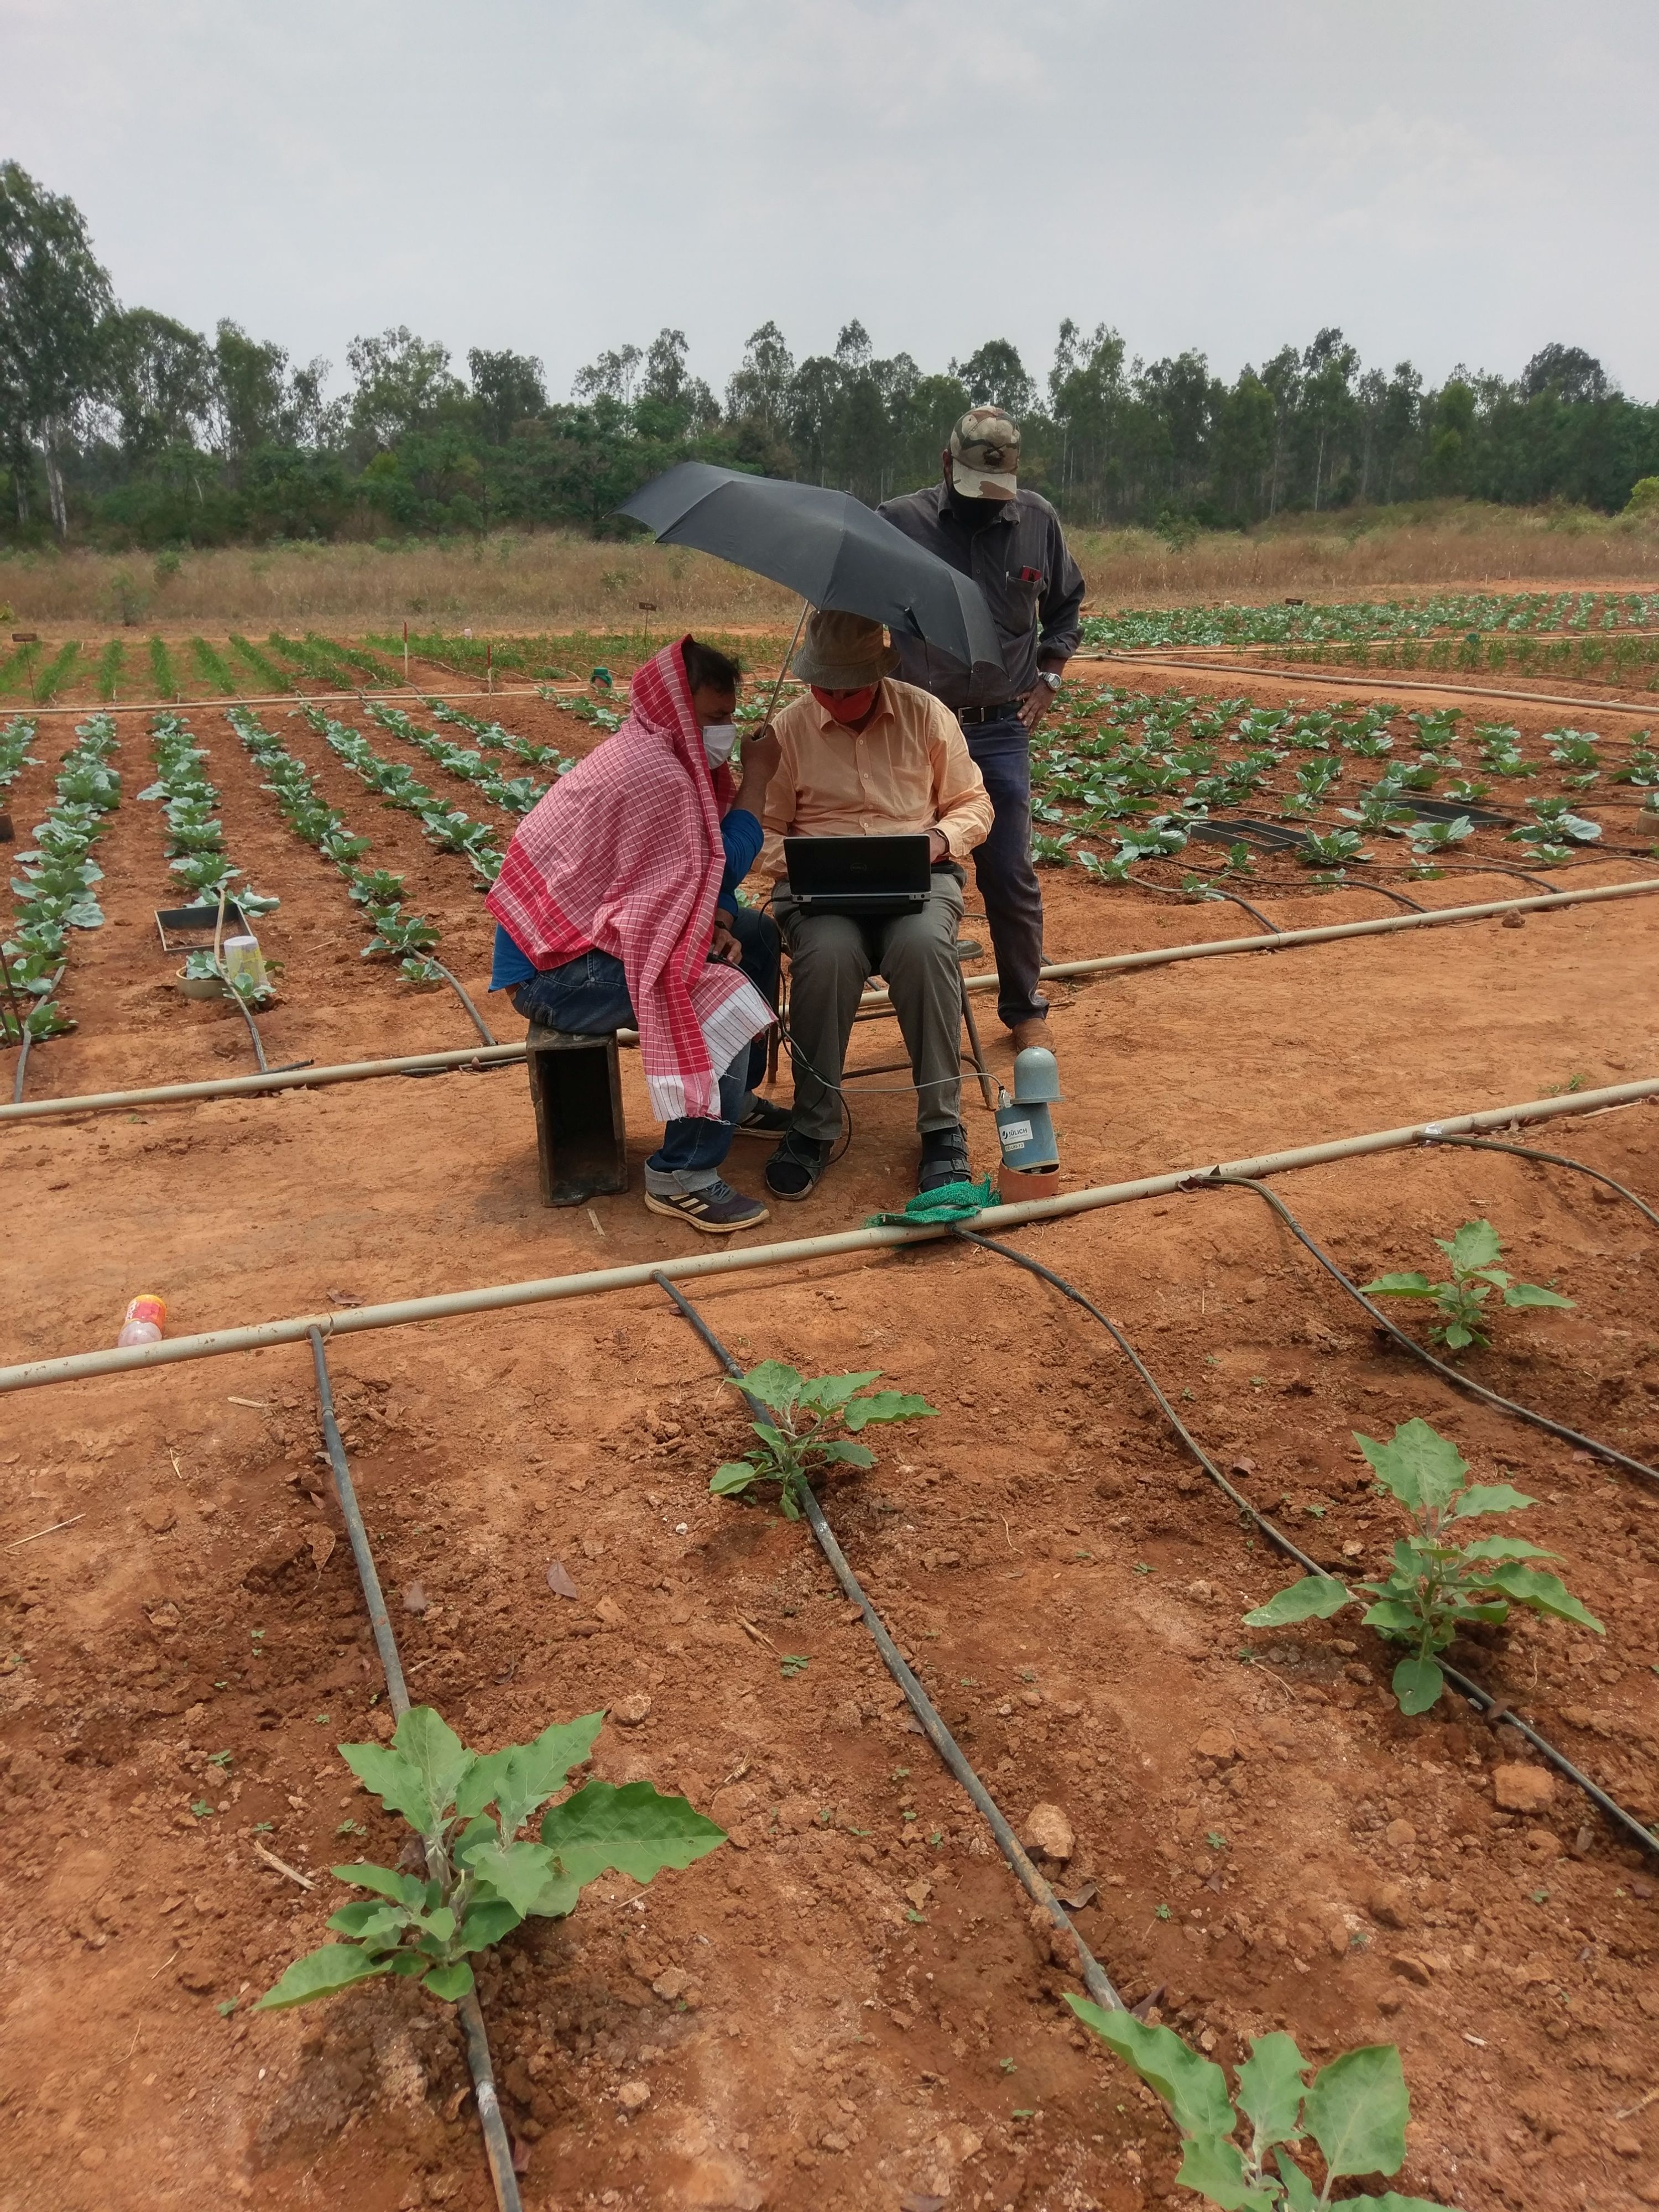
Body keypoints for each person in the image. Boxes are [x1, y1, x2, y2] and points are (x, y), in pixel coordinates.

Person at [487, 637, 782, 1234]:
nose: (723, 731)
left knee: (754, 935)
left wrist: (716, 920)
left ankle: (735, 1102)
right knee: (715, 995)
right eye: (712, 718)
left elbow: (686, 878)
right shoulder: (659, 773)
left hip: (578, 936)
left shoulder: (655, 749)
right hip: (556, 974)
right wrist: (759, 780)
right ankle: (683, 1175)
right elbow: (718, 865)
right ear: (675, 706)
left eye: (730, 716)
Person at [757, 609, 993, 1202]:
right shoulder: (785, 730)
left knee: (922, 947)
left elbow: (974, 804)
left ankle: (943, 1129)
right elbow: (760, 830)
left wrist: (939, 840)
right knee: (830, 955)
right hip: (818, 889)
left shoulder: (925, 713)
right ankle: (813, 1127)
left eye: (852, 690)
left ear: (880, 675)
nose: (837, 701)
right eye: (825, 689)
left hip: (920, 877)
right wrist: (806, 858)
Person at [879, 408, 1086, 1050]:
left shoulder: (1037, 522)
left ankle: (1024, 1008)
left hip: (997, 726)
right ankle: (917, 1002)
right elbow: (856, 615)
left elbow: (1066, 607)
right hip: (914, 727)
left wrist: (1049, 677)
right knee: (900, 860)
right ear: (947, 464)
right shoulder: (899, 524)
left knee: (1009, 870)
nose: (985, 506)